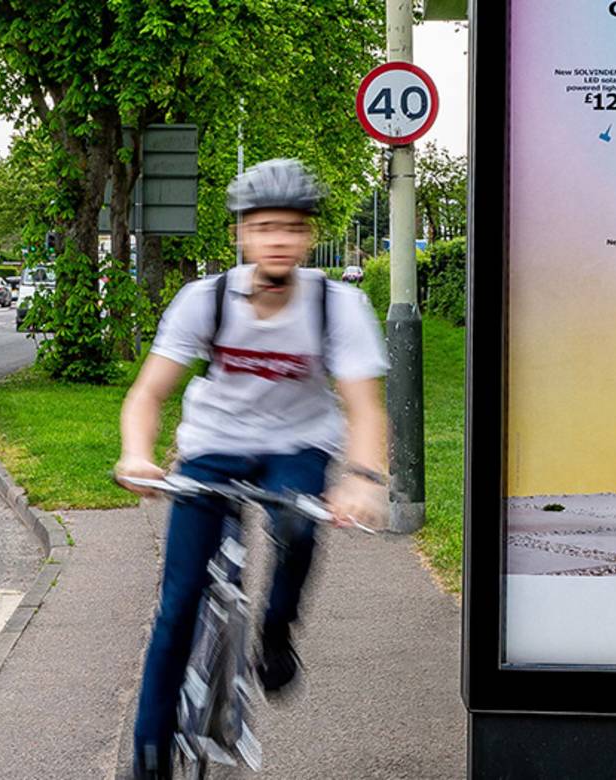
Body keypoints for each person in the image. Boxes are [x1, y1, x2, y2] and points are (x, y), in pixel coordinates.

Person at [114, 158, 391, 779]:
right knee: (178, 603)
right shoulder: (206, 301)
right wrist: (137, 453)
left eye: (292, 228)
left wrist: (363, 479)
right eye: (265, 227)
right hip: (214, 443)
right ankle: (149, 753)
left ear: (309, 236)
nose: (279, 240)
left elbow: (365, 409)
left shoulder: (336, 306)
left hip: (298, 444)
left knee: (296, 526)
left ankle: (275, 628)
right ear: (242, 233)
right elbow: (148, 394)